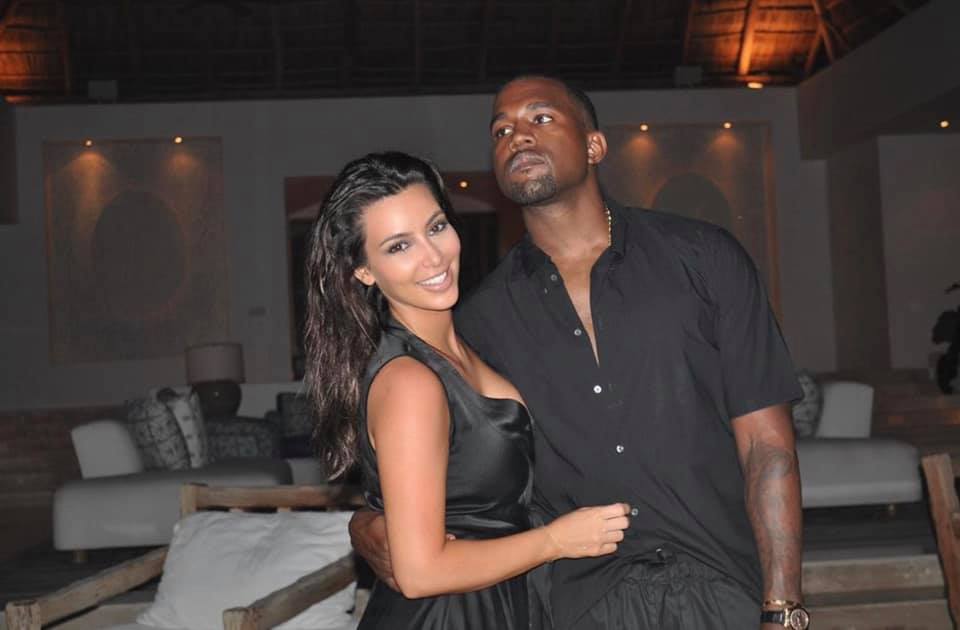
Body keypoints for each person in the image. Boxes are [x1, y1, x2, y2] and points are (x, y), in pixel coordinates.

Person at [350, 77, 809, 629]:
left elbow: (767, 447)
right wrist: (366, 522)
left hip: (720, 585)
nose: (518, 135)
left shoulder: (705, 259)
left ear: (594, 145)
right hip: (578, 604)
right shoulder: (479, 319)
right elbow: (456, 472)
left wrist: (783, 608)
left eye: (541, 118)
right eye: (501, 130)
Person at [304, 151, 631, 630]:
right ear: (364, 270)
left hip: (499, 602)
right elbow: (419, 573)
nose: (433, 256)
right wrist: (556, 542)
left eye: (435, 227)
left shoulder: (471, 343)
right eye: (399, 246)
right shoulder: (410, 382)